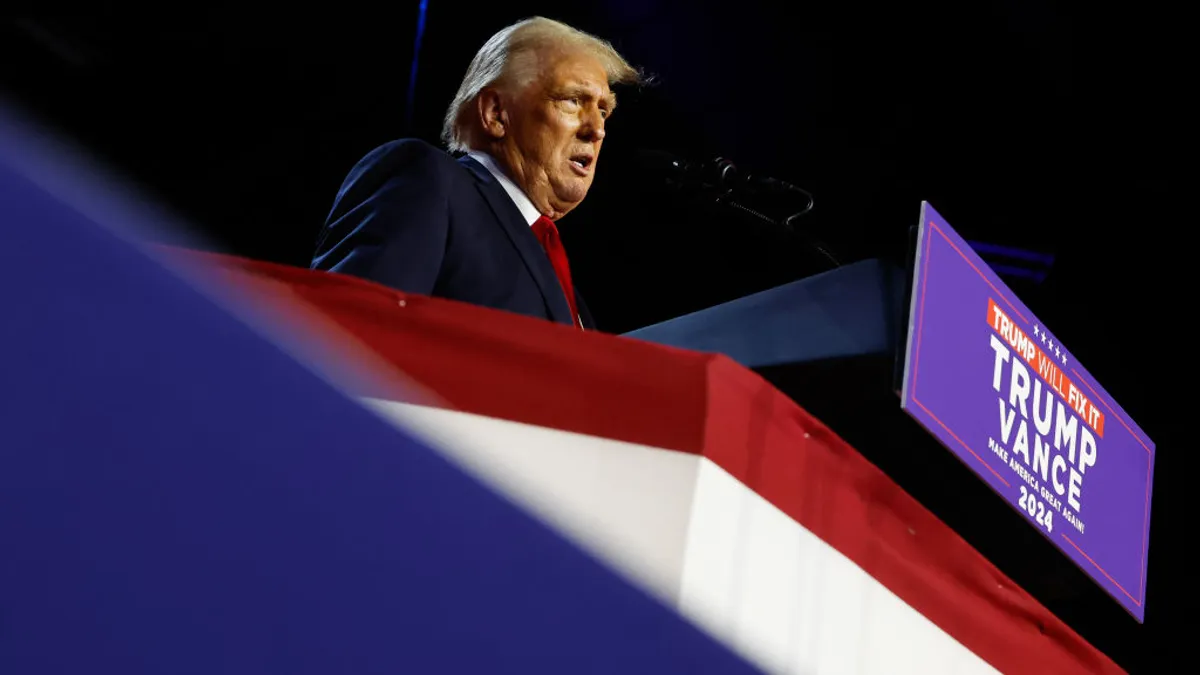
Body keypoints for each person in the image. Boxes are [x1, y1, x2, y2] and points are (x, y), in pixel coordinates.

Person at [311, 17, 640, 330]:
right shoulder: (426, 180)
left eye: (603, 110)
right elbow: (343, 339)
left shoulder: (564, 285)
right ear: (496, 114)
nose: (597, 130)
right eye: (572, 100)